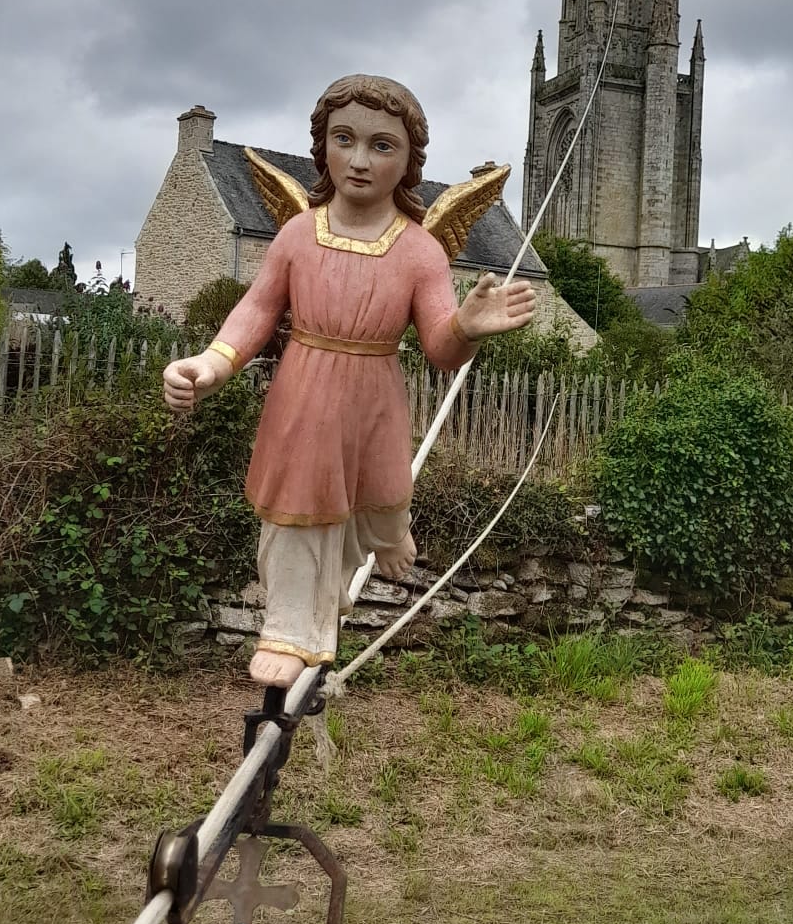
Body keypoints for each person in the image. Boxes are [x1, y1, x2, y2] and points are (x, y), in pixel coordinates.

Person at [161, 74, 536, 690]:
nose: (360, 161)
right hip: (303, 392)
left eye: (381, 146)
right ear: (323, 147)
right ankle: (289, 630)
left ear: (409, 161)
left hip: (373, 393)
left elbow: (440, 349)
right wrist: (211, 364)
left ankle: (386, 531)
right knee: (296, 509)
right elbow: (256, 310)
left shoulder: (420, 252)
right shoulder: (297, 234)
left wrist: (466, 325)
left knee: (379, 492)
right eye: (345, 140)